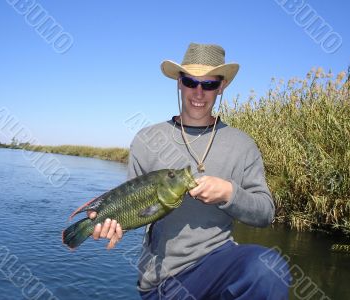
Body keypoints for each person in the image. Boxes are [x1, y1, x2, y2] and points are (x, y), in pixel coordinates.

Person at [88, 43, 290, 299]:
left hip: (220, 265)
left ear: (222, 87)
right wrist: (113, 225)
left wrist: (229, 193)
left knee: (267, 268)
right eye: (190, 81)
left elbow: (265, 212)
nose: (198, 92)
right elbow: (131, 204)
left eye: (209, 84)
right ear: (178, 83)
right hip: (164, 278)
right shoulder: (146, 139)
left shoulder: (243, 145)